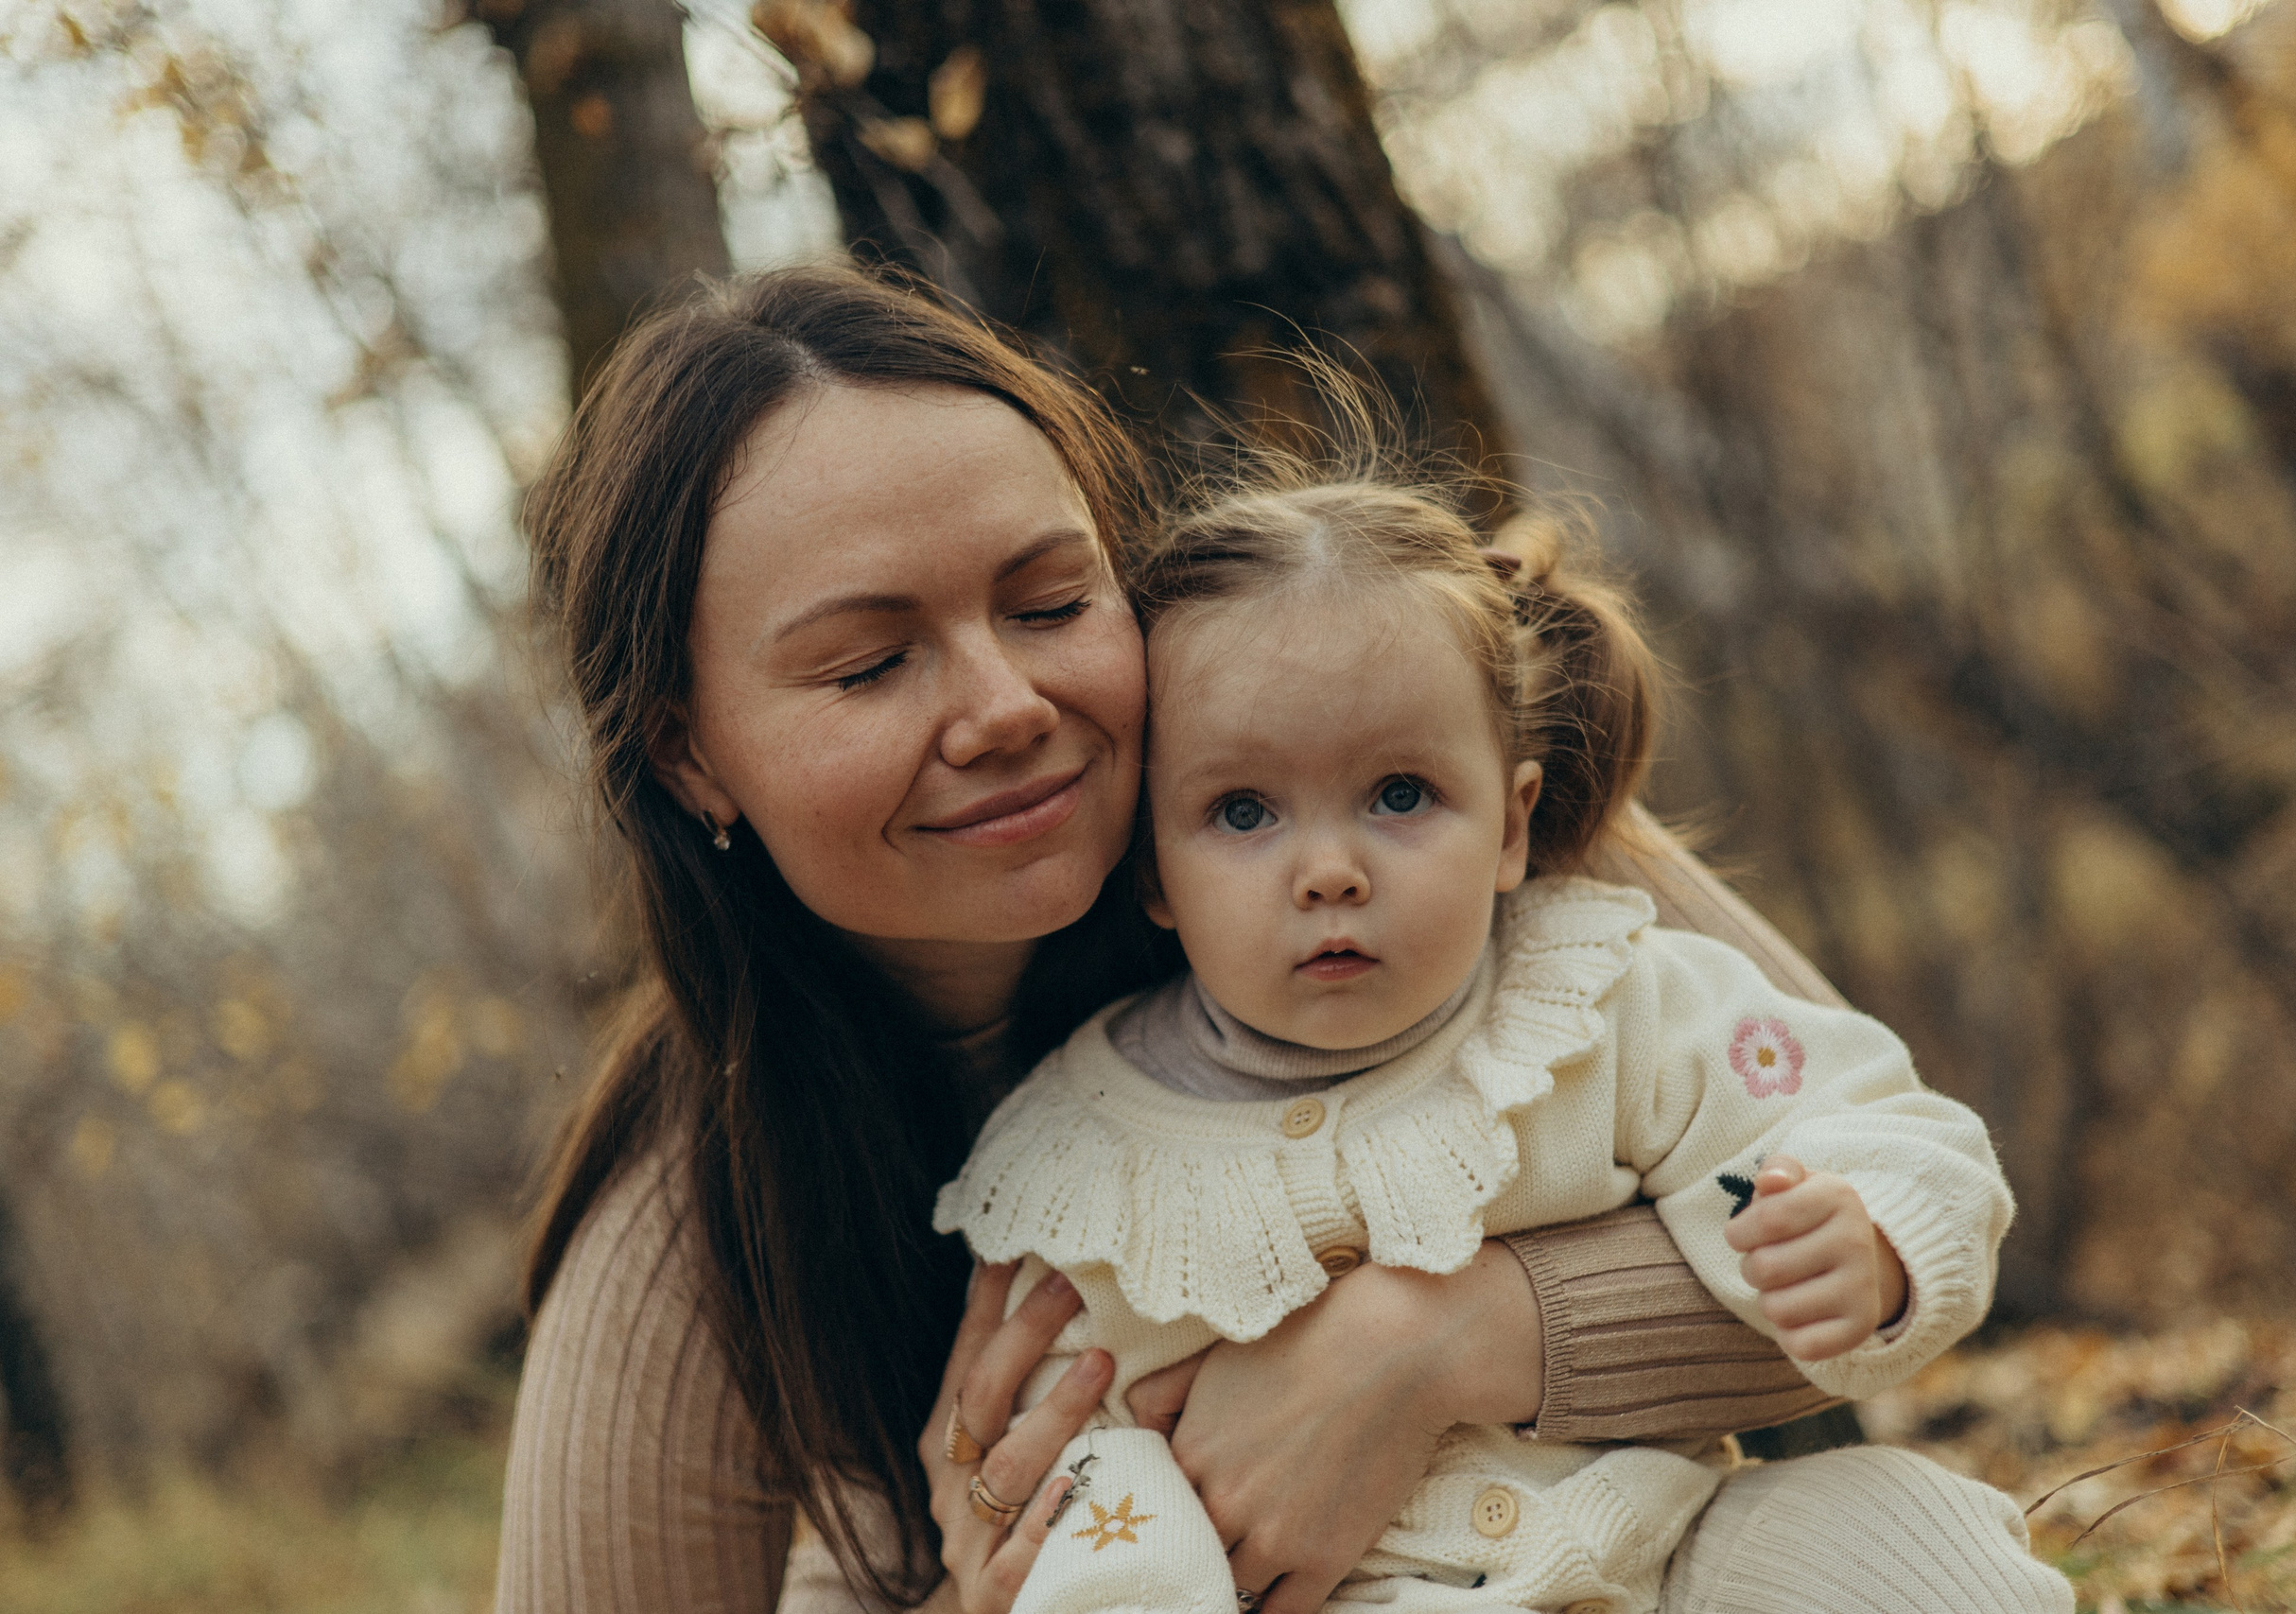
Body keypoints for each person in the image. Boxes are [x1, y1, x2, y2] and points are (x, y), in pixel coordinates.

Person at [491, 264, 2052, 1614]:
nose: (1006, 706)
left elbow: (1861, 1211)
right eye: (869, 662)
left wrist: (1445, 1340)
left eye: (1049, 602)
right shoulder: (701, 1217)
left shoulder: (1385, 803)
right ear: (692, 753)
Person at [931, 469, 2070, 1614]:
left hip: (1663, 1545)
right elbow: (1069, 1437)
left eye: (1399, 794)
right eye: (1242, 813)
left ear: (1514, 823)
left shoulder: (1601, 1002)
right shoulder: (1081, 1152)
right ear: (1154, 875)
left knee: (1899, 1537)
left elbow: (1864, 1117)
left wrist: (1866, 1238)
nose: (1330, 870)